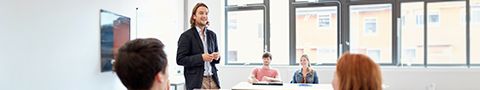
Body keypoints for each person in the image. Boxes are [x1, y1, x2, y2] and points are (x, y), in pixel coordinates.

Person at [176, 2, 221, 90]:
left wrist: (217, 56)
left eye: (206, 13)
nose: (204, 16)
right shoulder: (186, 36)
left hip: (213, 80)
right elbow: (180, 59)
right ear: (194, 16)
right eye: (201, 13)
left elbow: (216, 59)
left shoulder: (212, 35)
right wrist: (201, 58)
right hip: (197, 82)